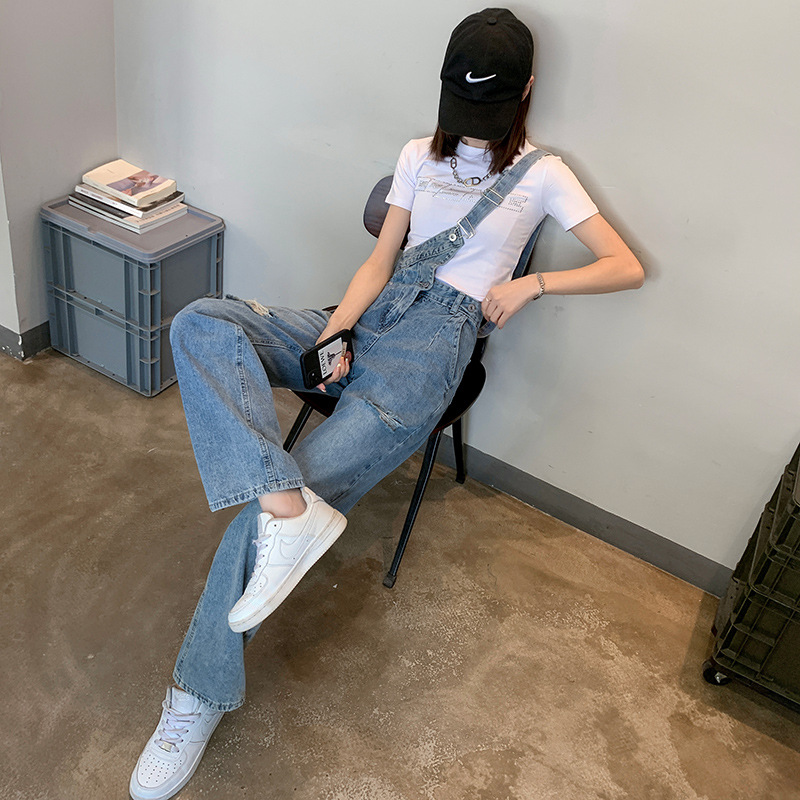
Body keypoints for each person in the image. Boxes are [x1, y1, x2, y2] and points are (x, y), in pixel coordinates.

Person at [128, 8, 644, 800]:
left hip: (428, 361)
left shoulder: (544, 172)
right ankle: (287, 505)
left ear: (526, 91)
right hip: (369, 319)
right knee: (202, 321)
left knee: (251, 525)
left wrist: (533, 283)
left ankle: (194, 694)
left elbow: (624, 265)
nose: (469, 126)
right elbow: (380, 261)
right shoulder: (416, 155)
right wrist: (332, 336)